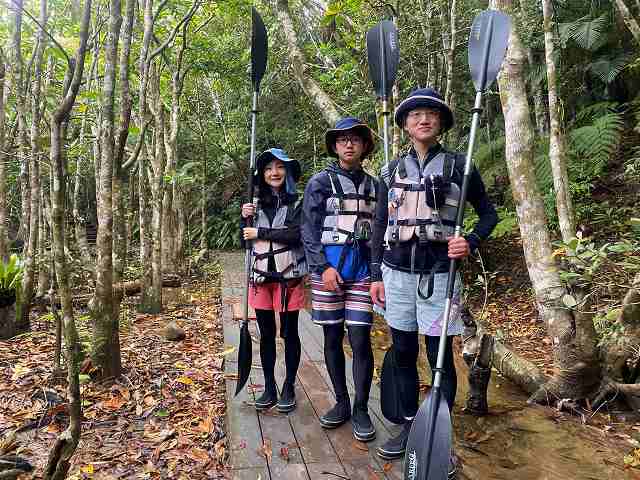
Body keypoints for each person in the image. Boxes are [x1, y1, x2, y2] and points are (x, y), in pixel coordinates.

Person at [369, 88, 498, 476]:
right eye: (415, 115)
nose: (423, 119)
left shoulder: (461, 167)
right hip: (396, 275)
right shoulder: (390, 171)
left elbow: (488, 215)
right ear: (406, 125)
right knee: (403, 353)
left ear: (440, 123)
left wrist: (469, 240)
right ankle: (411, 425)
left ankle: (440, 435)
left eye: (431, 114)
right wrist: (375, 275)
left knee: (440, 358)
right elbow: (379, 224)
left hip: (441, 276)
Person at [301, 117, 378, 442]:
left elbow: (381, 232)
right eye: (343, 140)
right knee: (332, 336)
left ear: (364, 146)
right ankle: (342, 402)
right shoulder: (320, 183)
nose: (349, 144)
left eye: (355, 139)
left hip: (362, 272)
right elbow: (308, 228)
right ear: (334, 146)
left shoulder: (376, 186)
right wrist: (322, 267)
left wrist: (377, 273)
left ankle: (361, 408)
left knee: (360, 339)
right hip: (328, 271)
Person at [241, 148, 307, 413]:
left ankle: (288, 385)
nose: (274, 172)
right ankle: (269, 386)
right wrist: (244, 218)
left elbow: (297, 234)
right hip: (260, 276)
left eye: (279, 167)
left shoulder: (298, 202)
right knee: (266, 334)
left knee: (289, 333)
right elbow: (245, 239)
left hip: (289, 277)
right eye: (269, 168)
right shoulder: (254, 204)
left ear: (287, 171)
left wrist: (260, 231)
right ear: (263, 174)